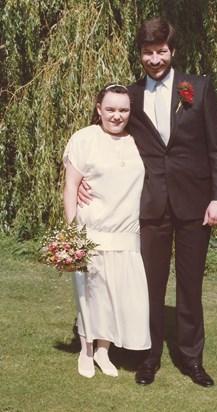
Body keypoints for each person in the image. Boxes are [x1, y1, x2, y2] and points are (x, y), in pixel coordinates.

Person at [78, 18, 217, 387]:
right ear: (141, 55)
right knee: (150, 285)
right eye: (148, 52)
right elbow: (104, 132)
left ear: (172, 51)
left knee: (190, 286)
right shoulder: (130, 97)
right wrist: (82, 175)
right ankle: (149, 357)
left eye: (161, 51)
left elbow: (216, 149)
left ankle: (192, 360)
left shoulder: (199, 88)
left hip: (196, 204)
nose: (155, 58)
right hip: (149, 204)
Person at [63, 84, 151, 379]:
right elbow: (71, 187)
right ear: (98, 108)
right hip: (92, 229)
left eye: (123, 110)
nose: (117, 116)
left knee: (116, 294)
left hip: (126, 232)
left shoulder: (137, 140)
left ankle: (104, 350)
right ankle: (86, 350)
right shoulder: (84, 139)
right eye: (110, 109)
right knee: (90, 293)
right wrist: (71, 234)